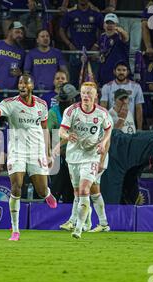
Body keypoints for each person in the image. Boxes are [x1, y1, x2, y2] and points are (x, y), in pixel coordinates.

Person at [0, 74, 58, 241]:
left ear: (31, 86)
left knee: (40, 191)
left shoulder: (42, 104)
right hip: (17, 151)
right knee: (16, 186)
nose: (22, 85)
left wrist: (48, 153)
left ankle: (47, 193)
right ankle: (15, 229)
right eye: (20, 83)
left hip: (36, 151)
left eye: (26, 83)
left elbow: (45, 128)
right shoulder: (10, 104)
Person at [58, 82, 112, 239]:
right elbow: (62, 130)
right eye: (83, 93)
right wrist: (67, 136)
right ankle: (92, 222)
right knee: (81, 192)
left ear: (96, 96)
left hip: (93, 156)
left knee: (85, 190)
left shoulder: (102, 113)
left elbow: (109, 132)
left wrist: (102, 150)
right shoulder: (71, 111)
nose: (86, 96)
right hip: (74, 157)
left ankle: (79, 227)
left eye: (89, 93)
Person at [58, 0, 104, 87]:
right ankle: (74, 100)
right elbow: (61, 30)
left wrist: (97, 45)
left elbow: (104, 31)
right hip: (75, 52)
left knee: (93, 82)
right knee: (73, 82)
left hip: (92, 53)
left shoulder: (96, 14)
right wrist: (69, 44)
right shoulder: (71, 14)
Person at [100, 61, 144, 131]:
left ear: (128, 72)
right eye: (119, 70)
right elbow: (103, 107)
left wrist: (139, 128)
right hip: (112, 121)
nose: (121, 72)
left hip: (129, 122)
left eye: (124, 70)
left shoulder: (136, 86)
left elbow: (139, 108)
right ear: (114, 71)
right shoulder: (107, 87)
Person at [97, 13, 130, 86]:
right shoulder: (102, 37)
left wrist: (121, 31)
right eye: (107, 23)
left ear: (116, 25)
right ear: (103, 25)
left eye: (112, 23)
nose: (110, 25)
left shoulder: (119, 37)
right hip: (103, 76)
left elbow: (126, 38)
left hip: (118, 78)